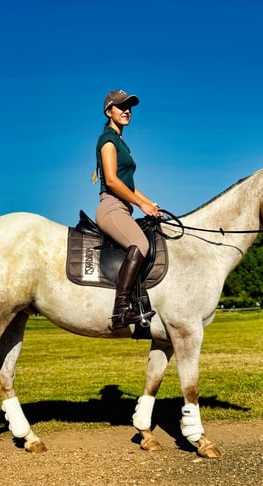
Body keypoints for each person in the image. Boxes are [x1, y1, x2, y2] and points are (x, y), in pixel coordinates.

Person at [94, 89, 162, 329]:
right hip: (111, 207)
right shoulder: (108, 140)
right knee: (141, 244)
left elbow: (129, 185)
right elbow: (112, 181)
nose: (127, 111)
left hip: (124, 207)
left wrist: (149, 203)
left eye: (129, 107)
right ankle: (121, 309)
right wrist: (140, 203)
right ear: (108, 111)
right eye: (121, 106)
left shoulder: (122, 143)